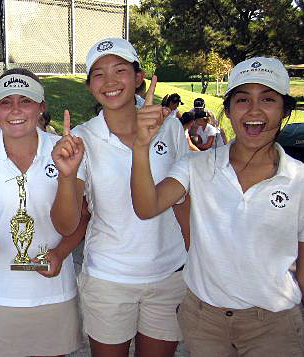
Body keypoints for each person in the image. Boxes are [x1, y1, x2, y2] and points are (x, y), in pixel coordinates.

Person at [130, 56, 304, 356]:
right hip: (205, 322)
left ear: (284, 109)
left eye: (268, 99)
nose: (254, 110)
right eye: (242, 99)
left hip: (273, 325)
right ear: (227, 109)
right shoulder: (195, 165)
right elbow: (147, 206)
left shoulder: (298, 178)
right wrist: (140, 146)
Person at [51, 38, 188, 357]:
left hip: (168, 274)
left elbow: (183, 199)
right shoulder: (82, 138)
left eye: (120, 70)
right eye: (98, 74)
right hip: (109, 278)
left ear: (139, 78)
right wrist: (66, 175)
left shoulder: (169, 127)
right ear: (88, 86)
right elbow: (66, 223)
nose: (110, 81)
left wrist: (193, 254)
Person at [0, 68, 83, 357]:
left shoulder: (65, 151)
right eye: (6, 101)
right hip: (1, 294)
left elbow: (76, 221)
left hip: (52, 294)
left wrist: (60, 253)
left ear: (41, 107)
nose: (15, 109)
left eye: (25, 100)